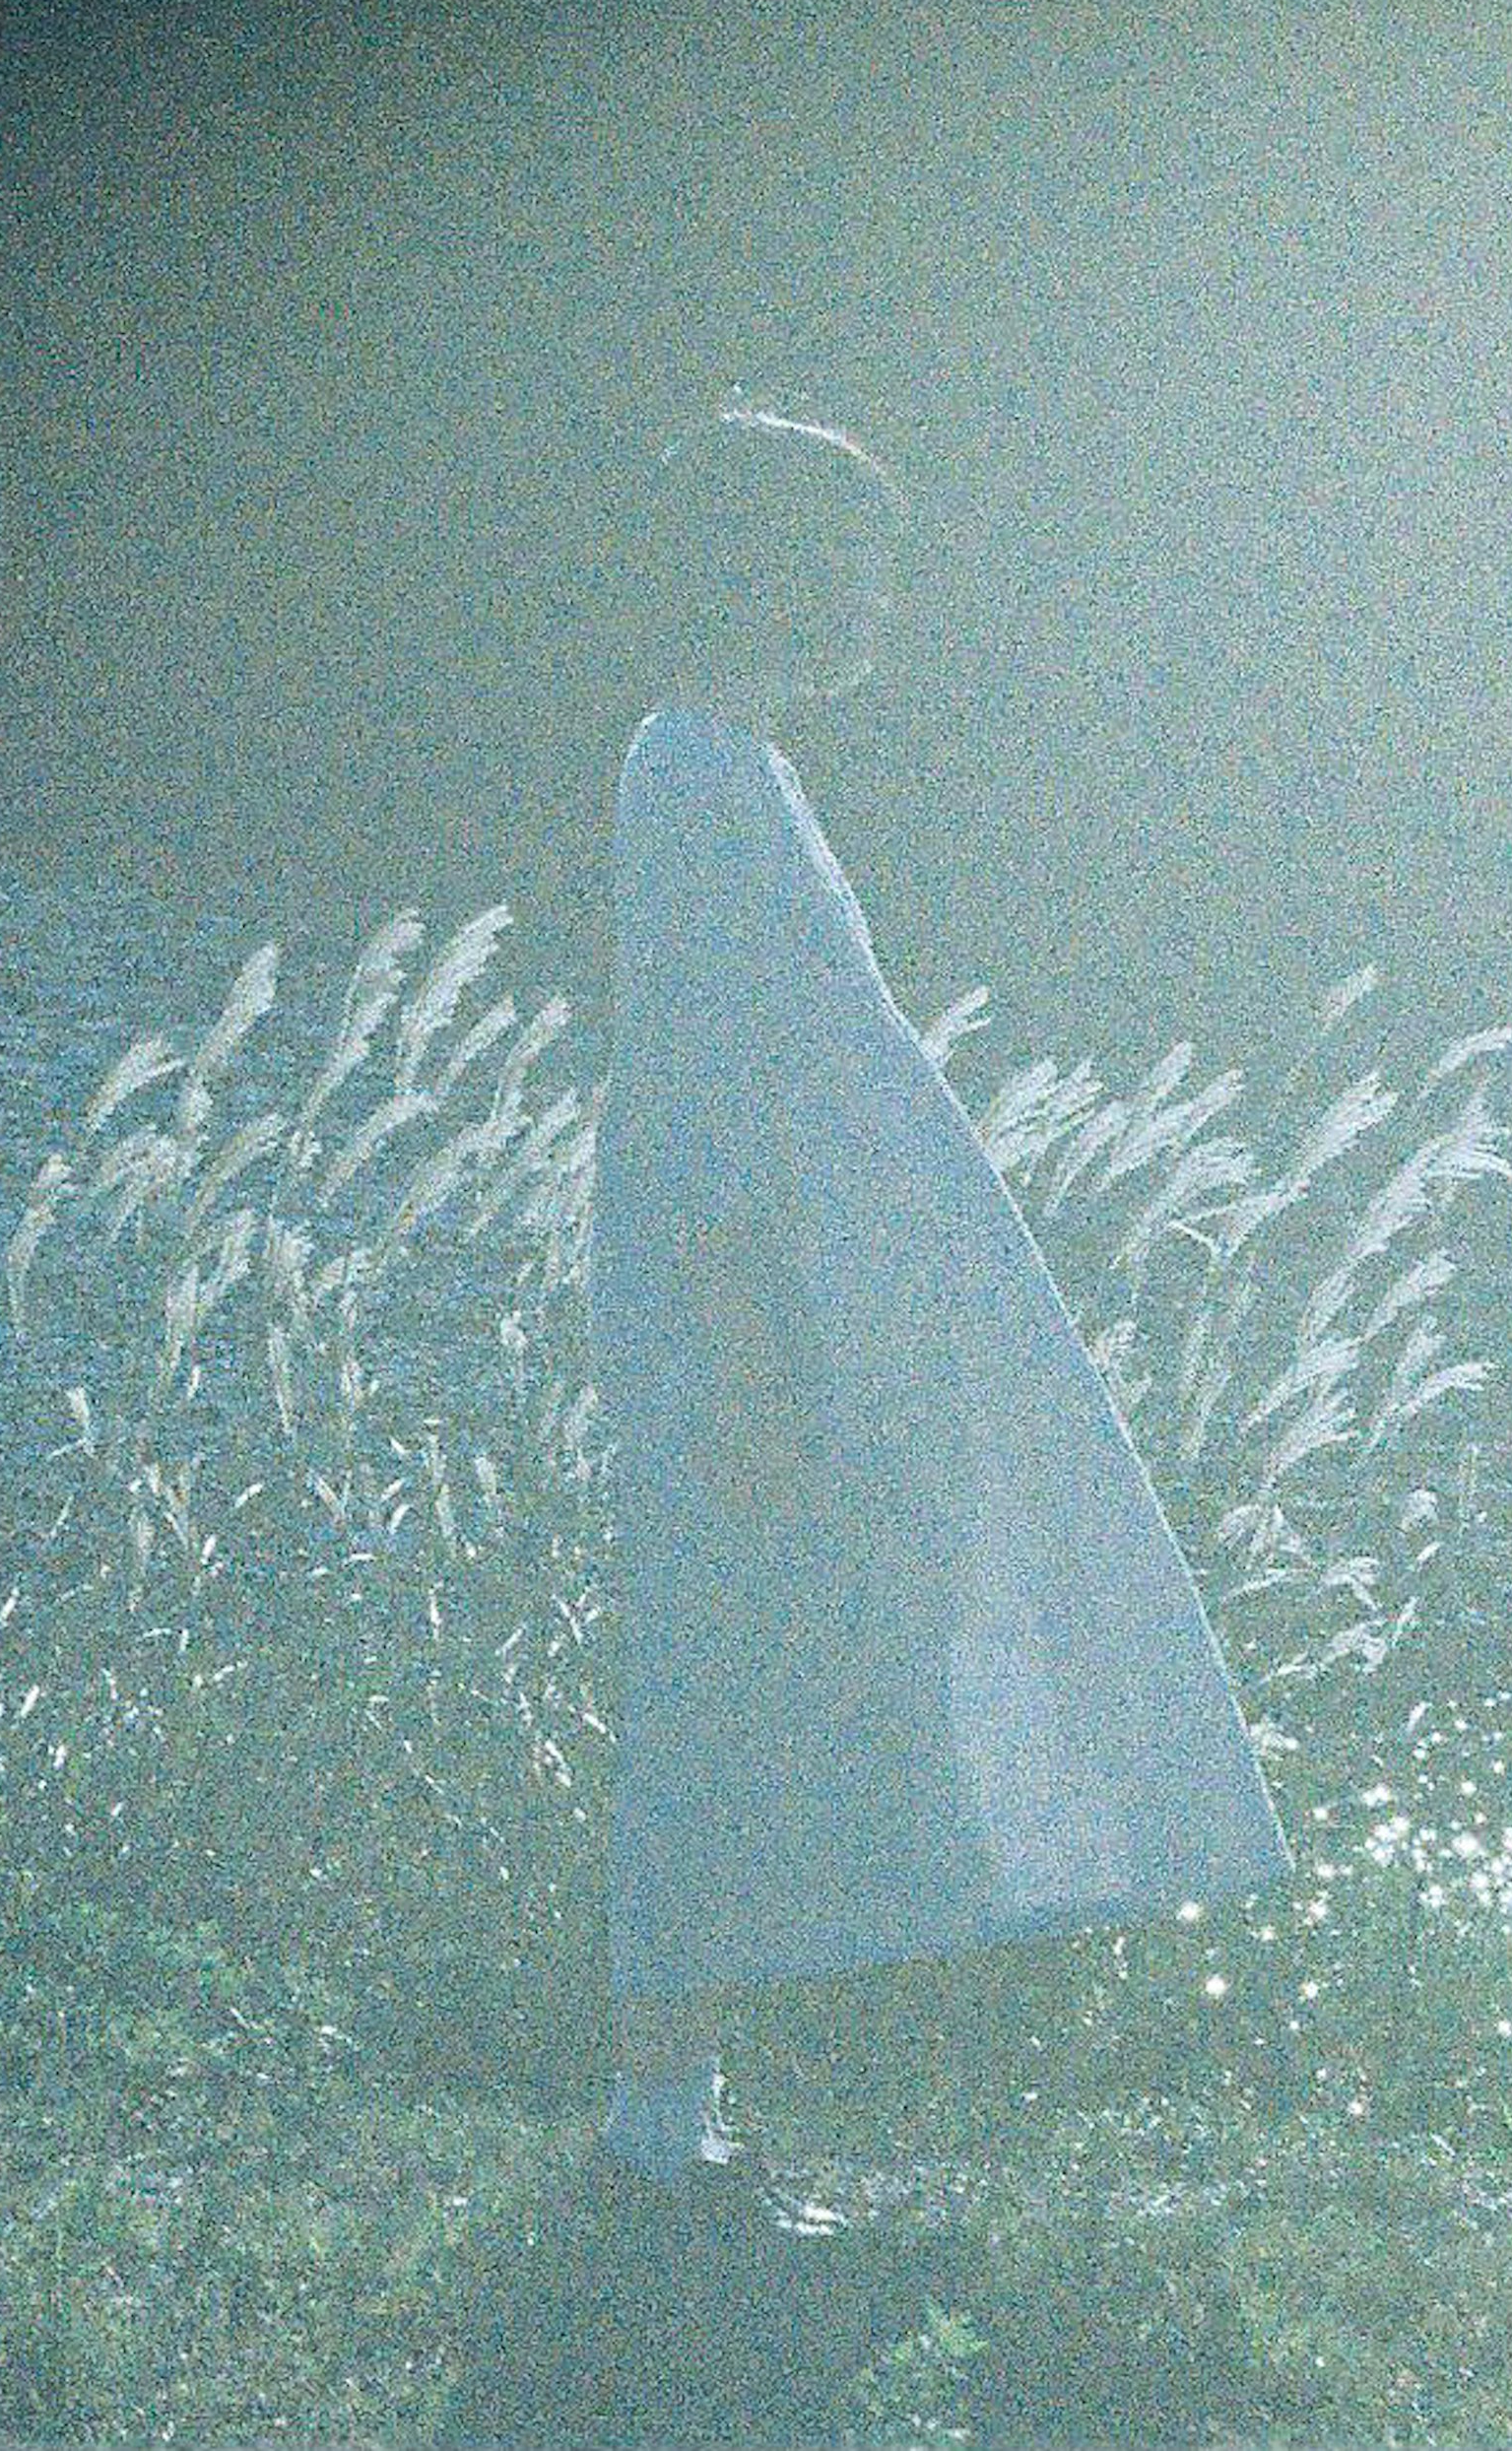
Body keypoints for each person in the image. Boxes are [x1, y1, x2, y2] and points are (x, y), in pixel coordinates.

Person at [580, 402, 1292, 2239]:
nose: (872, 595)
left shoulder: (739, 765)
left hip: (787, 1305)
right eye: (840, 555)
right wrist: (750, 1337)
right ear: (755, 567)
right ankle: (658, 2138)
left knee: (765, 1672)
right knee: (715, 1682)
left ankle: (684, 2121)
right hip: (748, 1312)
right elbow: (706, 1079)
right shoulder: (690, 774)